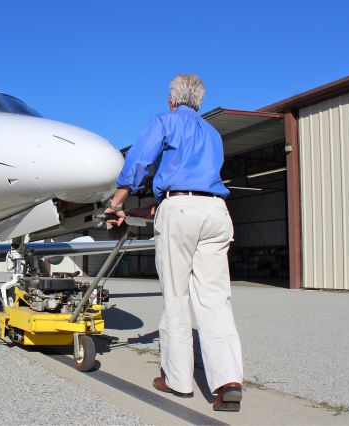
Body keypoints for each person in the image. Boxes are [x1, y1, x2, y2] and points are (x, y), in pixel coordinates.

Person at [104, 74, 243, 412]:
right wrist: (140, 211)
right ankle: (227, 381)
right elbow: (190, 190)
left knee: (177, 295)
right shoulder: (212, 135)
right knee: (214, 298)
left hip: (180, 211)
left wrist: (117, 202)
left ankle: (177, 379)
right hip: (216, 212)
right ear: (199, 102)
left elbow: (140, 162)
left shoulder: (164, 121)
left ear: (171, 100)